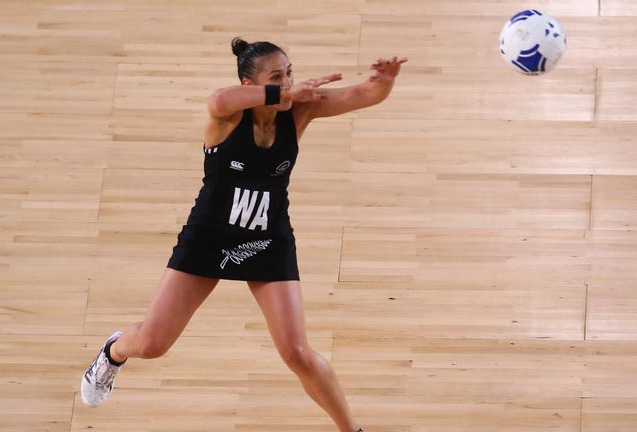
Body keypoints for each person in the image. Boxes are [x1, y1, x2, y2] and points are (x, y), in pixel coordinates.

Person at [81, 37, 407, 432]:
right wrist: (281, 92)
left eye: (289, 73)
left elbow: (365, 94)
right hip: (209, 236)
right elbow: (217, 99)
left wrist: (385, 80)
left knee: (297, 353)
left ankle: (350, 430)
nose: (288, 82)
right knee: (152, 344)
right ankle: (113, 353)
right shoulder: (227, 117)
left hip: (268, 238)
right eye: (276, 77)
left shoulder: (299, 111)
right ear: (249, 84)